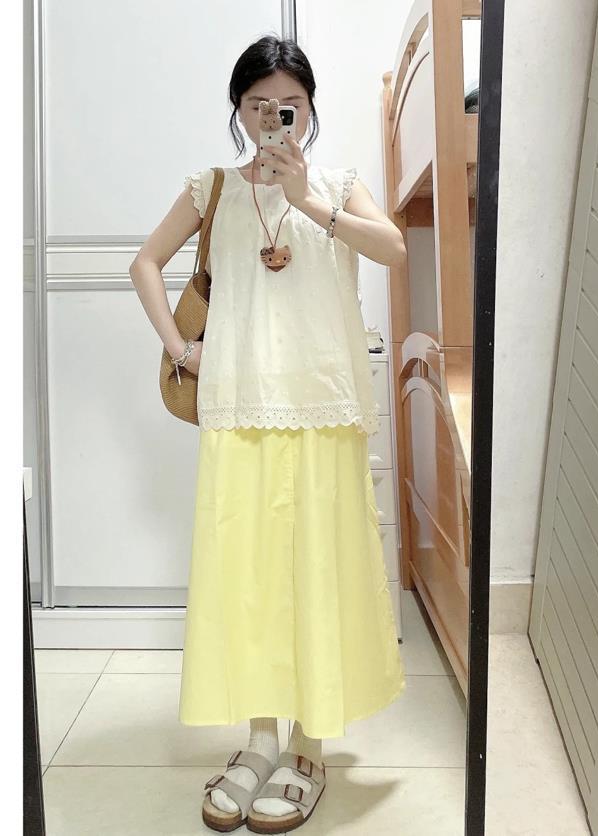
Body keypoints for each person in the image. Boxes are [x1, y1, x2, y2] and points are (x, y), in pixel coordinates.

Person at [129, 34, 407, 834]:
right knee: (246, 576)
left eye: (289, 105)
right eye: (258, 105)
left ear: (309, 109)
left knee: (318, 570)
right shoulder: (211, 188)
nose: (273, 118)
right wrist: (182, 349)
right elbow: (145, 263)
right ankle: (259, 741)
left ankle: (310, 745)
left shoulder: (337, 184)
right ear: (239, 109)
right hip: (240, 406)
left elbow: (392, 250)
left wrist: (310, 200)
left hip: (322, 406)